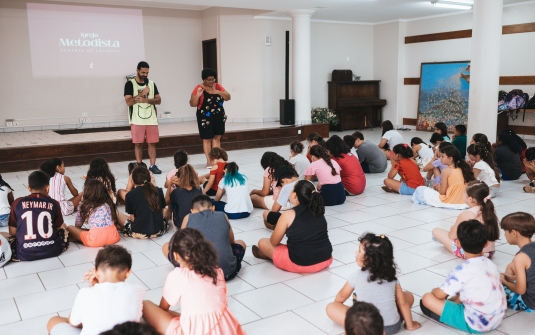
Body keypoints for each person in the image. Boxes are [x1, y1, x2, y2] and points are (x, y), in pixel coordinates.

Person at [143, 228, 246, 335]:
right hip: (225, 329)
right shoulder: (217, 271)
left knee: (146, 305)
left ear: (176, 255)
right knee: (196, 316)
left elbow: (163, 308)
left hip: (194, 331)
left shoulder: (179, 276)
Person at [420, 220, 506, 334]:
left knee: (426, 299)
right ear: (486, 243)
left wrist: (433, 291)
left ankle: (448, 317)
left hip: (476, 324)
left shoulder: (461, 270)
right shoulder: (491, 264)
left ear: (458, 243)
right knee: (465, 288)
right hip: (497, 319)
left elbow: (439, 295)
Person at [326, 234, 421, 334]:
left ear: (368, 258)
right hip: (392, 327)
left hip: (367, 328)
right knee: (408, 296)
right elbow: (402, 303)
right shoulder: (391, 277)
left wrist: (337, 305)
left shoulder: (356, 276)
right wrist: (410, 325)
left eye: (359, 250)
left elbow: (341, 296)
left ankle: (358, 328)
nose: (356, 253)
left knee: (331, 307)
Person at [46, 245, 145, 335]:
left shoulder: (85, 293)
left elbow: (73, 323)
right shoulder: (138, 290)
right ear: (128, 273)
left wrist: (93, 287)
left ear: (96, 272)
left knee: (54, 320)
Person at [252, 180, 333, 273]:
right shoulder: (318, 211)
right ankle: (274, 255)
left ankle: (270, 256)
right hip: (326, 259)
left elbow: (273, 242)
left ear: (294, 195)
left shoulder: (288, 215)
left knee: (262, 242)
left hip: (300, 263)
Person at [165, 195, 246, 281]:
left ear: (192, 210)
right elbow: (231, 241)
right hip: (227, 273)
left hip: (197, 275)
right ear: (213, 208)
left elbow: (180, 244)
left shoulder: (188, 217)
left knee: (166, 246)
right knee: (241, 243)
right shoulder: (223, 215)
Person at [8, 171, 68, 261]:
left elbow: (12, 232)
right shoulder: (54, 203)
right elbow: (58, 228)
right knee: (65, 228)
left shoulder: (17, 202)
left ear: (28, 188)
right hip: (53, 250)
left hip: (24, 253)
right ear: (47, 188)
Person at [432, 180, 499, 259]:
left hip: (472, 253)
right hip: (490, 252)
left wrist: (453, 228)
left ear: (471, 199)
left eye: (464, 192)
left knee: (435, 231)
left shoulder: (467, 214)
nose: (463, 194)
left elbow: (452, 236)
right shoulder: (488, 211)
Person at [124, 61, 162, 174]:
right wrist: (142, 94)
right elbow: (129, 102)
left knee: (152, 143)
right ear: (137, 70)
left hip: (151, 119)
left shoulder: (151, 83)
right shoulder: (130, 84)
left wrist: (147, 100)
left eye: (147, 72)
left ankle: (152, 165)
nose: (145, 75)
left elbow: (159, 100)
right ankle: (140, 165)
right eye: (143, 72)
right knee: (138, 144)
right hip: (137, 119)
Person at [189, 68, 231, 168]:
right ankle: (209, 161)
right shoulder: (198, 88)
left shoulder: (218, 87)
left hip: (218, 115)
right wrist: (198, 96)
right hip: (205, 117)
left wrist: (217, 92)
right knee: (207, 139)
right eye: (209, 80)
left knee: (217, 137)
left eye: (213, 79)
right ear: (204, 79)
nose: (211, 82)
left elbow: (228, 97)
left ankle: (216, 159)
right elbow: (192, 104)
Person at [67, 179, 121, 247]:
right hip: (114, 236)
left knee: (70, 228)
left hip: (95, 240)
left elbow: (78, 224)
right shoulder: (108, 204)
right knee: (95, 230)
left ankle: (73, 238)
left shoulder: (84, 205)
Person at [500, 212, 535, 312]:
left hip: (530, 303)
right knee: (511, 266)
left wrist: (504, 281)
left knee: (497, 287)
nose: (504, 234)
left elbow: (521, 290)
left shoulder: (521, 257)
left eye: (505, 231)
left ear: (514, 233)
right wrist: (514, 278)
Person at [124, 167, 169, 239]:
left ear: (133, 180)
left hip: (139, 231)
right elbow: (162, 211)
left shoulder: (129, 195)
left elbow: (133, 218)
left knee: (119, 215)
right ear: (149, 178)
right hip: (158, 230)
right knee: (165, 211)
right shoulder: (159, 190)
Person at [263, 166, 299, 230]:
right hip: (313, 219)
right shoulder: (309, 183)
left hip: (297, 221)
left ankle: (282, 228)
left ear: (284, 180)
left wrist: (280, 191)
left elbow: (274, 210)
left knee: (266, 213)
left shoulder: (287, 187)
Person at [166, 164, 201, 229]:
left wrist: (169, 186)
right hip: (197, 222)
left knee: (174, 200)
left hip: (181, 224)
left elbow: (166, 202)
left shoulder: (177, 192)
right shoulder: (199, 189)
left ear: (179, 178)